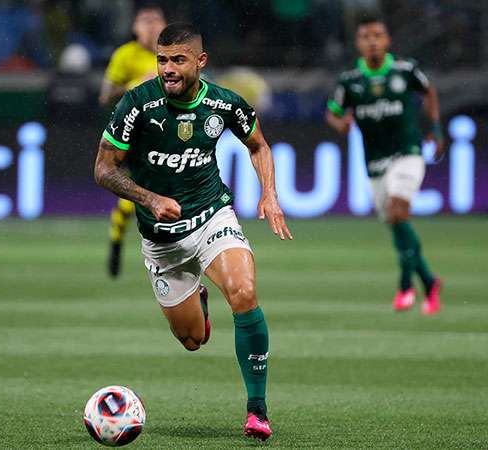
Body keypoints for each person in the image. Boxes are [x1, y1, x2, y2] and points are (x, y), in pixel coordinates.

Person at [94, 23, 292, 441]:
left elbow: (258, 145)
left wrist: (269, 194)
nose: (167, 69)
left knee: (243, 292)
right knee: (191, 340)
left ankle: (257, 409)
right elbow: (104, 169)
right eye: (162, 60)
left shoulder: (223, 103)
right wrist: (148, 199)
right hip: (161, 241)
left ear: (200, 61)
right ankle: (196, 300)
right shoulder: (136, 105)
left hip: (212, 218)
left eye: (177, 60)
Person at [326, 16, 444, 314]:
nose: (373, 41)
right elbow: (333, 112)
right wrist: (341, 124)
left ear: (388, 40)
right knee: (395, 222)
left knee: (397, 209)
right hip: (375, 161)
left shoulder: (406, 70)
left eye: (378, 35)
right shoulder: (350, 80)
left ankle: (405, 286)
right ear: (358, 44)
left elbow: (429, 91)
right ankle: (429, 283)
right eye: (366, 36)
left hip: (408, 152)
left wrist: (436, 128)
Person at [99, 4, 166, 278]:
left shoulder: (172, 54)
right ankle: (116, 240)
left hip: (169, 134)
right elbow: (105, 96)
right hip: (136, 135)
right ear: (135, 27)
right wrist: (134, 84)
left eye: (155, 21)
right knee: (134, 195)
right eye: (144, 21)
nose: (150, 26)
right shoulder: (125, 55)